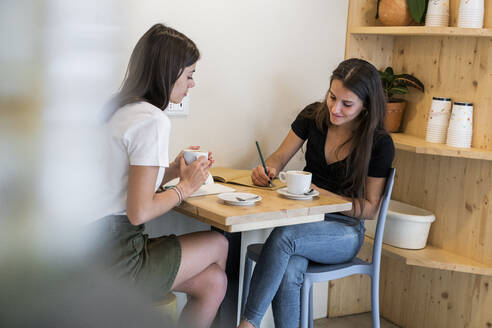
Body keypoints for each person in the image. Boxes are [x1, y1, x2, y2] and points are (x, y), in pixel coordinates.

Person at [239, 58, 395, 328]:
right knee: (288, 270)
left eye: (347, 104)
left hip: (344, 231)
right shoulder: (313, 116)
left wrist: (323, 196)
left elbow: (370, 209)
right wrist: (267, 170)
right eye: (332, 97)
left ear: (366, 106)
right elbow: (278, 157)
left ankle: (247, 325)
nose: (335, 108)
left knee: (284, 238)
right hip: (304, 224)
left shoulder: (379, 143)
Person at [94, 24, 228, 328]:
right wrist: (185, 186)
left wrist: (171, 169)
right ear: (169, 74)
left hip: (92, 252)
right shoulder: (152, 119)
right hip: (120, 261)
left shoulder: (118, 108)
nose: (192, 84)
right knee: (219, 245)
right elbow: (138, 210)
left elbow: (122, 184)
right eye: (189, 75)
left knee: (214, 283)